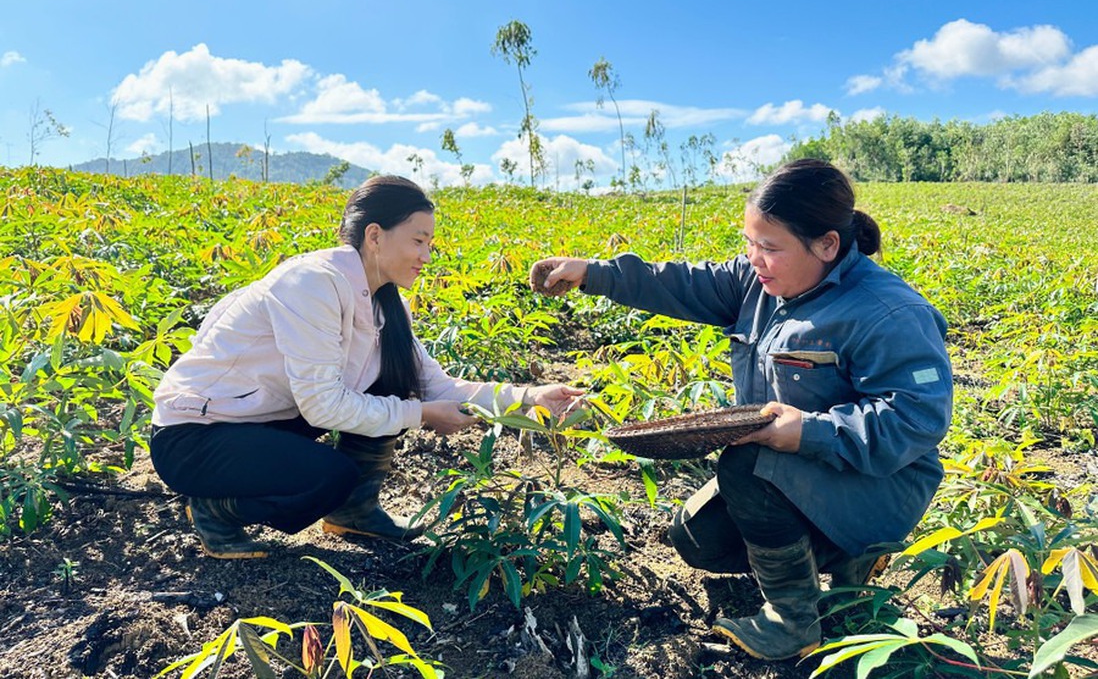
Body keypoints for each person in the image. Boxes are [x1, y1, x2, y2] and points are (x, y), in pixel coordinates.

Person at [529, 159, 952, 661]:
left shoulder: (889, 312)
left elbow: (916, 419)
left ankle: (794, 620)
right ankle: (846, 561)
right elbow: (681, 283)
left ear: (827, 245)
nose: (755, 259)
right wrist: (592, 273)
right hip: (801, 472)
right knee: (697, 540)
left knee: (746, 465)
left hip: (880, 486)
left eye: (769, 248)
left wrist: (808, 431)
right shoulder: (757, 282)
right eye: (749, 244)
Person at [150, 175, 582, 560]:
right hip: (194, 438)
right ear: (374, 236)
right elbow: (323, 406)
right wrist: (418, 414)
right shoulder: (312, 283)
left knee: (392, 380)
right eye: (418, 241)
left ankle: (354, 511)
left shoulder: (387, 305)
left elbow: (437, 386)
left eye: (430, 244)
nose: (426, 256)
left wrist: (531, 397)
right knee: (328, 477)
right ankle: (215, 509)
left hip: (261, 421)